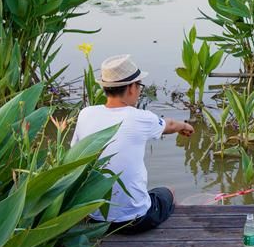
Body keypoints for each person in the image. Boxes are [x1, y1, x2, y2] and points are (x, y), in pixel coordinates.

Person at [71, 54, 193, 234]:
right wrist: (184, 126)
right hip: (134, 221)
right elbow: (170, 125)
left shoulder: (86, 114)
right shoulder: (140, 117)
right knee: (169, 191)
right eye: (139, 86)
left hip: (93, 218)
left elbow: (74, 153)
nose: (140, 90)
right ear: (130, 88)